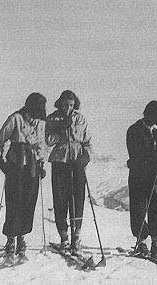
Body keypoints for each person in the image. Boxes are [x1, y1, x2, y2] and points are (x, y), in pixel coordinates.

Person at [0, 93, 46, 257]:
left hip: (32, 165)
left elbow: (41, 144)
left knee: (29, 201)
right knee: (14, 200)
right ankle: (10, 239)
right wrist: (0, 159)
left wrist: (41, 162)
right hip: (16, 163)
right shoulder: (15, 118)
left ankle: (21, 238)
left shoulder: (40, 123)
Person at [45, 90, 92, 254]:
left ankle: (76, 236)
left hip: (77, 160)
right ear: (60, 103)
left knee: (78, 197)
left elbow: (86, 140)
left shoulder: (80, 118)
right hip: (60, 160)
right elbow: (49, 140)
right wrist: (59, 129)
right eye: (66, 105)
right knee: (60, 198)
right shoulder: (52, 118)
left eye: (71, 105)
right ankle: (64, 236)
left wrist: (86, 155)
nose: (68, 108)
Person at [126, 100, 157, 258]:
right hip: (139, 174)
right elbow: (135, 153)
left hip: (156, 176)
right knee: (138, 207)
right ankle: (141, 240)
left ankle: (155, 241)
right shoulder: (134, 130)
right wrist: (154, 162)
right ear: (150, 114)